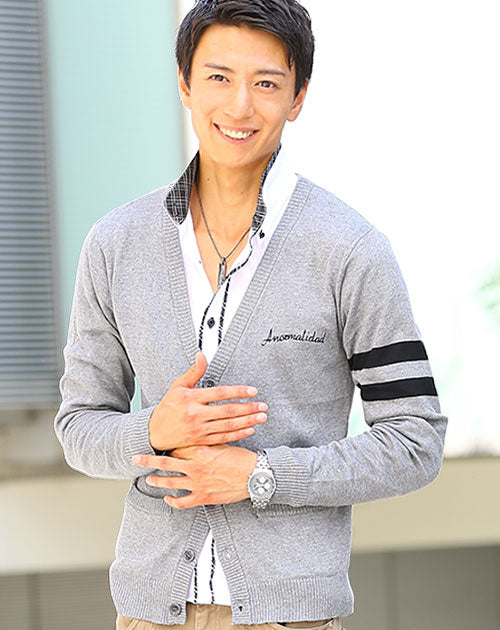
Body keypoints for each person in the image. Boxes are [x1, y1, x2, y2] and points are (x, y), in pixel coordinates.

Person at [54, 1, 448, 629]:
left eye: (266, 83)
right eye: (219, 77)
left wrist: (263, 476)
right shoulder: (115, 244)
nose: (240, 106)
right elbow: (78, 427)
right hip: (148, 614)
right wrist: (154, 430)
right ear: (185, 84)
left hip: (289, 618)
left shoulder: (349, 249)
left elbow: (414, 441)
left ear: (298, 98)